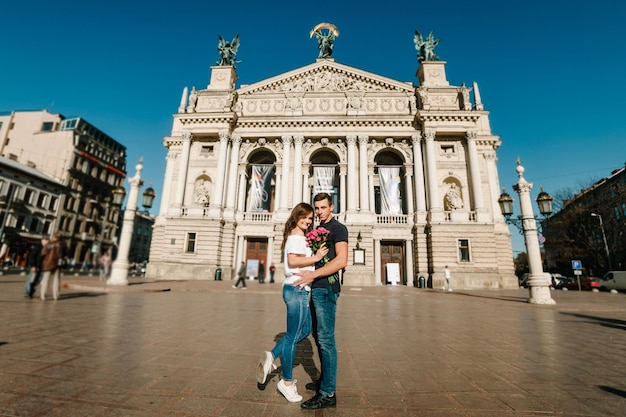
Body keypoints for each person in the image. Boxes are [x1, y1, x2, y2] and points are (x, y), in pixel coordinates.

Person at [257, 203, 328, 403]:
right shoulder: (296, 237)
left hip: (298, 289)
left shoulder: (299, 236)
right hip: (296, 289)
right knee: (292, 337)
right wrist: (317, 257)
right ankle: (286, 383)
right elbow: (293, 261)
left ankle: (272, 356)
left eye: (310, 218)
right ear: (296, 217)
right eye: (304, 217)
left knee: (304, 331)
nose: (308, 221)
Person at [294, 193, 348, 410]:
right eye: (316, 208)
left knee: (326, 341)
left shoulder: (338, 228)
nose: (319, 212)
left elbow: (341, 260)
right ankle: (324, 382)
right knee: (318, 337)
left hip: (327, 288)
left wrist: (314, 275)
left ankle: (328, 393)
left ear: (332, 207)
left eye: (323, 207)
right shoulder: (317, 230)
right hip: (316, 289)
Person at [39, 233, 67, 301]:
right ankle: (56, 296)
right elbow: (67, 253)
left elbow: (42, 253)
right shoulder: (63, 244)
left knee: (46, 280)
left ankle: (43, 295)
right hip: (58, 264)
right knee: (57, 280)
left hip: (48, 263)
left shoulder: (49, 244)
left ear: (53, 237)